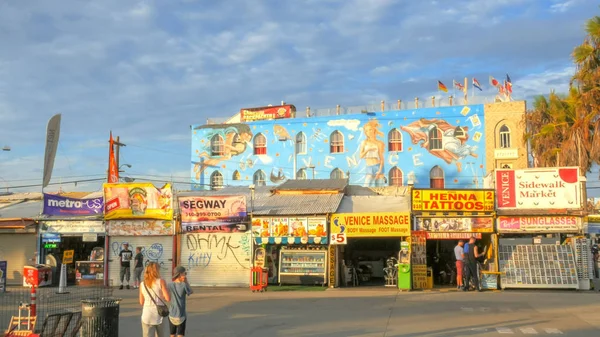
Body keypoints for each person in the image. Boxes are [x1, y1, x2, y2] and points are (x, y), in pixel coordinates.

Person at [140, 262, 171, 337]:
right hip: (159, 314)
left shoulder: (142, 284)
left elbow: (141, 302)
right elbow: (168, 298)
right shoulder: (161, 281)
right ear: (157, 271)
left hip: (146, 315)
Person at [168, 266, 193, 337]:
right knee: (180, 334)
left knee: (172, 334)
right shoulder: (184, 285)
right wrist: (186, 281)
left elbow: (166, 297)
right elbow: (191, 291)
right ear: (180, 274)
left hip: (171, 314)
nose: (185, 274)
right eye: (185, 273)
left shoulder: (170, 285)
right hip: (181, 315)